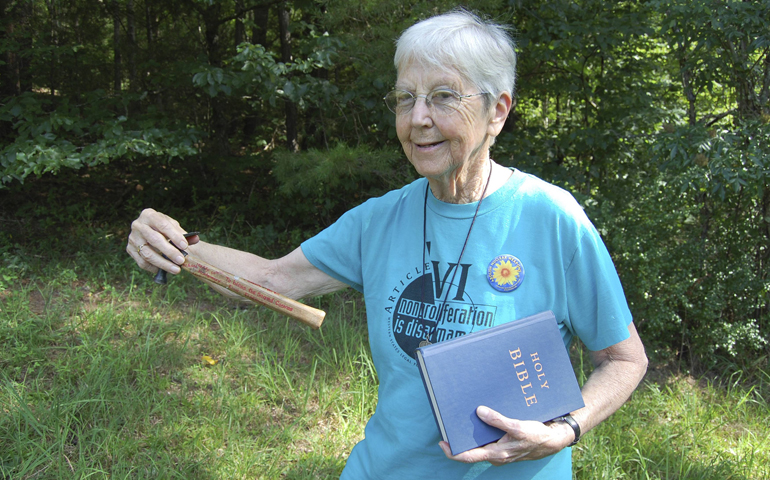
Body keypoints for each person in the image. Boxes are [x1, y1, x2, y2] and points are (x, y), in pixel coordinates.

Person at [127, 9, 648, 479]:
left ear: (497, 112)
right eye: (406, 97)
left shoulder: (551, 218)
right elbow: (269, 279)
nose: (417, 117)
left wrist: (564, 431)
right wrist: (176, 243)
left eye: (443, 96)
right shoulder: (378, 220)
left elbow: (624, 360)